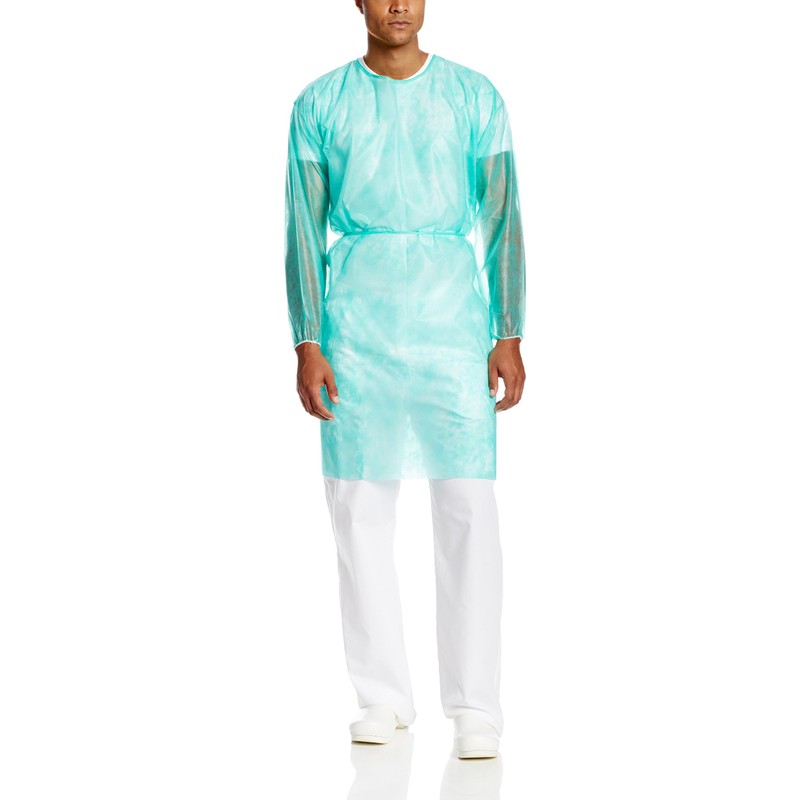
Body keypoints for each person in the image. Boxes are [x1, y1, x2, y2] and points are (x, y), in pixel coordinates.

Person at [284, 0, 526, 759]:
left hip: (454, 325)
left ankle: (476, 705)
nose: (398, 4)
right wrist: (308, 339)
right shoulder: (320, 104)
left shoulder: (474, 97)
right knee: (359, 508)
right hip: (357, 326)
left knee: (467, 508)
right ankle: (382, 697)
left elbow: (502, 215)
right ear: (357, 1)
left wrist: (508, 330)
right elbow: (302, 226)